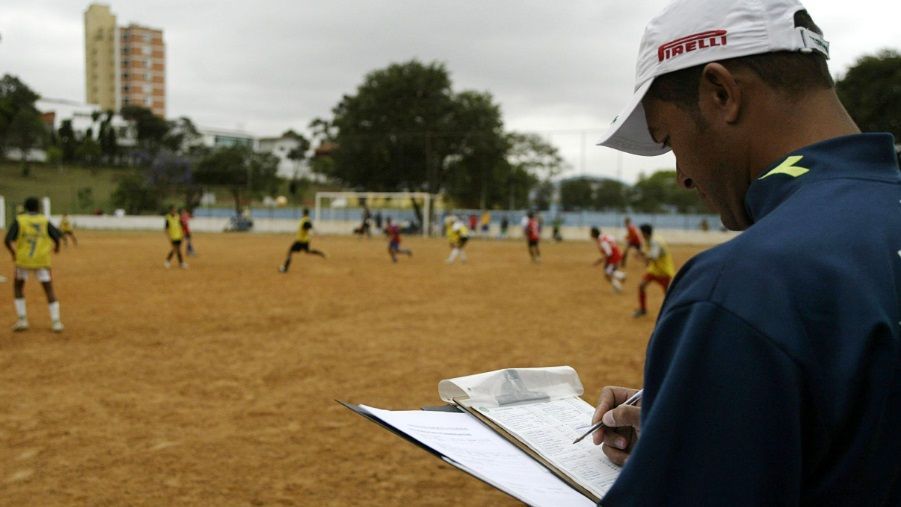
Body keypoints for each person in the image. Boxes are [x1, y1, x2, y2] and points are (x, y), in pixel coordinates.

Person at [590, 0, 901, 504]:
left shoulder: (743, 285)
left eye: (670, 141)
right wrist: (706, 422)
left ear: (721, 93)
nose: (683, 176)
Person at [4, 197, 64, 332]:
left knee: (18, 287)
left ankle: (22, 319)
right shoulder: (44, 220)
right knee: (49, 289)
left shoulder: (20, 220)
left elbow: (7, 240)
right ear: (38, 208)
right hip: (41, 260)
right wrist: (57, 247)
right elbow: (56, 237)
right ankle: (56, 321)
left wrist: (13, 253)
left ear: (26, 207)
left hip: (23, 260)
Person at [631, 224, 674, 318]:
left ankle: (672, 312)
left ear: (645, 233)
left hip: (663, 271)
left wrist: (641, 258)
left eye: (641, 232)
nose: (640, 234)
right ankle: (643, 309)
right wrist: (640, 253)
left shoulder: (655, 242)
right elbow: (646, 252)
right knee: (641, 285)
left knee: (668, 294)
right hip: (654, 270)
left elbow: (653, 257)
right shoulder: (648, 240)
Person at [279, 208, 326, 272]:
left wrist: (318, 235)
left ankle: (285, 268)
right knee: (308, 251)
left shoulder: (305, 221)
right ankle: (320, 253)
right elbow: (308, 228)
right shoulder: (305, 220)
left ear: (303, 213)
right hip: (305, 241)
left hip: (300, 241)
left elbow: (309, 227)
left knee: (290, 252)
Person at [590, 227, 626, 293]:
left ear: (594, 234)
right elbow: (613, 239)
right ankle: (620, 280)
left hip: (613, 258)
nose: (590, 235)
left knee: (607, 274)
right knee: (608, 272)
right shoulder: (603, 236)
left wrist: (599, 261)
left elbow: (608, 253)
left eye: (591, 233)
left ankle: (621, 278)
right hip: (615, 255)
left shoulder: (602, 242)